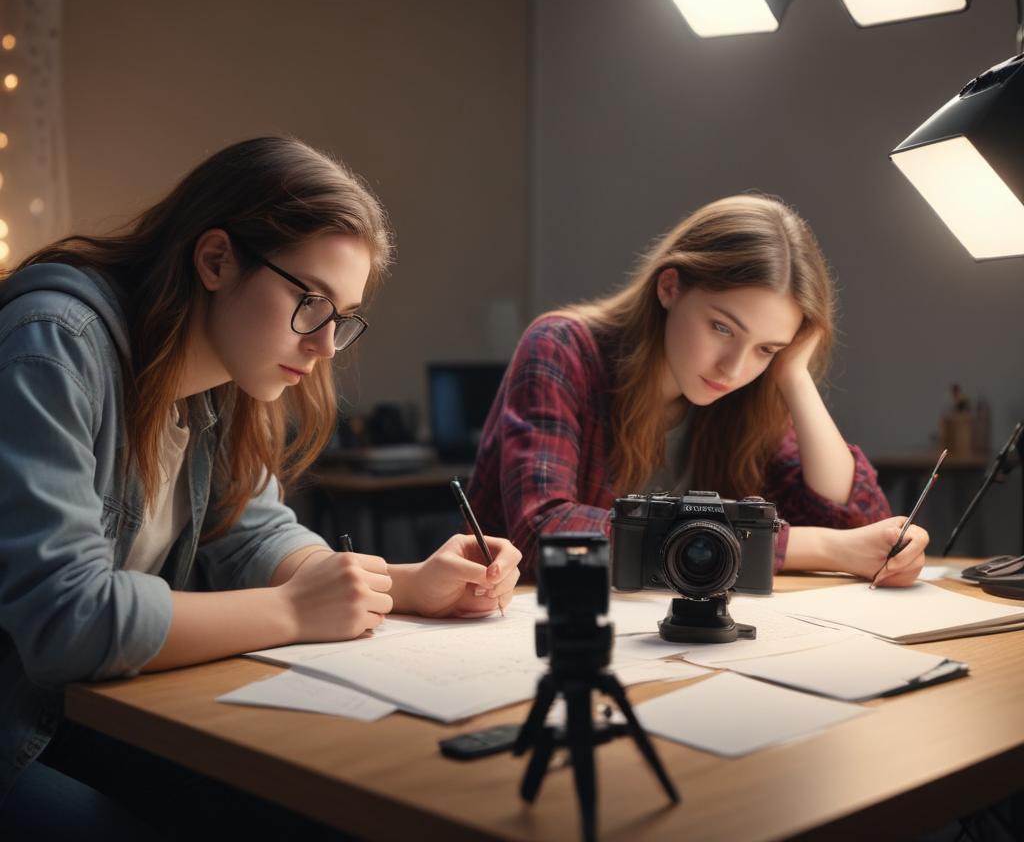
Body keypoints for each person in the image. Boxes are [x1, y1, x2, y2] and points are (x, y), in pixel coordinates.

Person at [0, 136, 521, 835]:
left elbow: (256, 535)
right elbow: (67, 619)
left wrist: (406, 586)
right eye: (310, 301)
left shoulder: (222, 378)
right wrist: (293, 612)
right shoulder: (54, 345)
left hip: (82, 716)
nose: (325, 345)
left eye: (342, 317)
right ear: (216, 260)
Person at [469, 194, 927, 587]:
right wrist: (821, 547)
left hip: (673, 639)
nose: (734, 368)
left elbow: (861, 530)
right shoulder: (561, 347)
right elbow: (545, 532)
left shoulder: (748, 392)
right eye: (722, 328)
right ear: (670, 287)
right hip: (547, 631)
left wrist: (793, 374)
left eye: (766, 348)